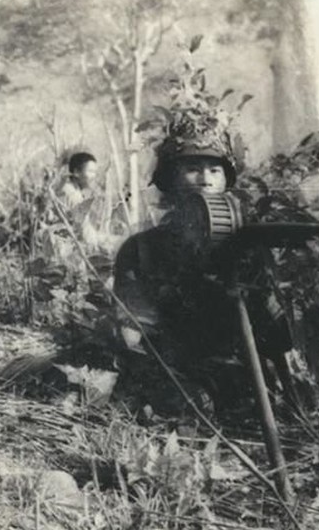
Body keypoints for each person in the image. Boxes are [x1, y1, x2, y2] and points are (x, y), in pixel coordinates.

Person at [112, 133, 289, 407]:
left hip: (241, 380)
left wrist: (256, 281)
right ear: (170, 179)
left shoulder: (247, 251)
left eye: (215, 170)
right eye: (193, 169)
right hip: (171, 376)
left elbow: (278, 340)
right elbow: (134, 334)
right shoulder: (141, 249)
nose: (205, 179)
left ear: (225, 181)